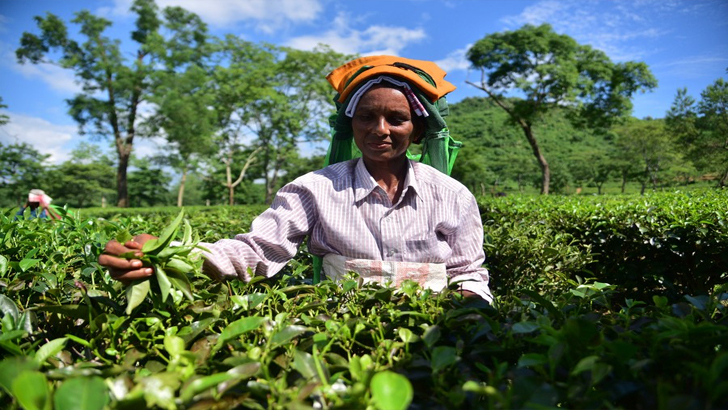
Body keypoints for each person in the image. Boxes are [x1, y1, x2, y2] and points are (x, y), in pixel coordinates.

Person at [99, 56, 493, 302]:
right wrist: (175, 255)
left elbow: (468, 273)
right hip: (345, 337)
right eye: (366, 117)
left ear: (418, 130)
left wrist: (470, 318)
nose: (380, 129)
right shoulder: (315, 189)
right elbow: (256, 251)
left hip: (432, 339)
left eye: (397, 118)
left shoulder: (452, 195)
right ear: (350, 126)